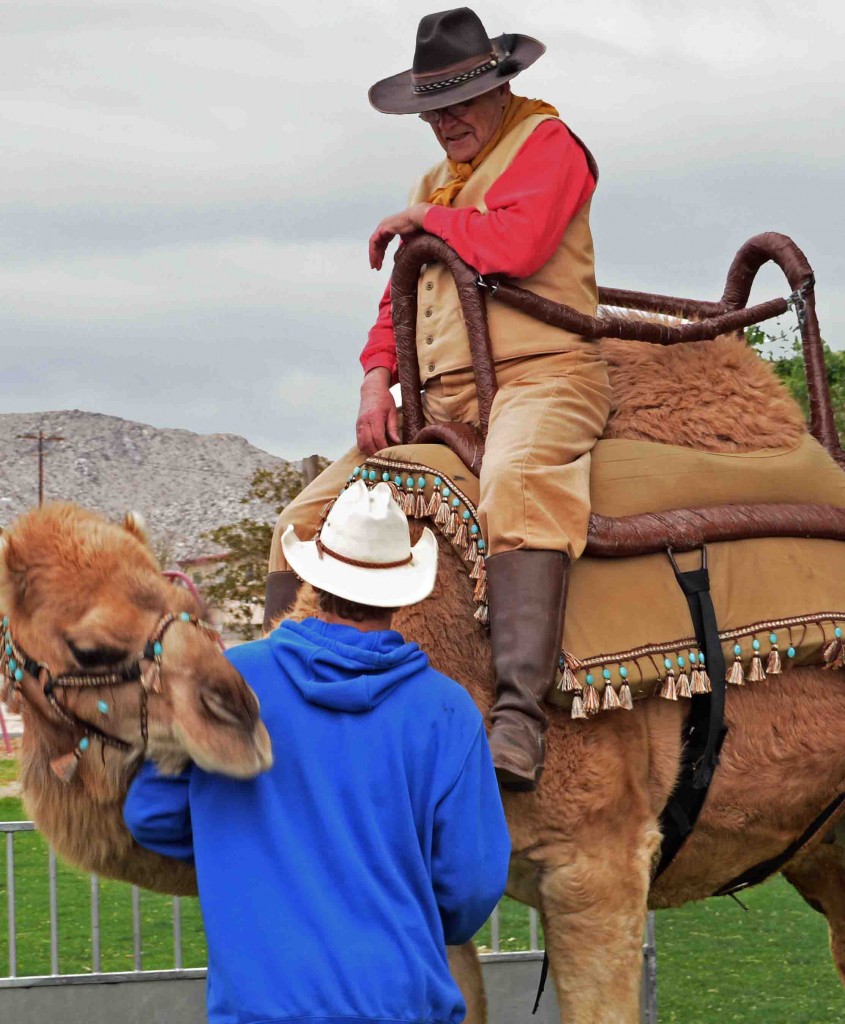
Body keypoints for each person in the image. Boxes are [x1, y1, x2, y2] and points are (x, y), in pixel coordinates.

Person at [265, 7, 612, 792]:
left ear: (500, 87)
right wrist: (375, 377)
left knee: (518, 483)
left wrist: (424, 220)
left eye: (459, 104)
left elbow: (515, 246)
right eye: (433, 111)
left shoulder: (547, 144)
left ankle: (519, 718)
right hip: (444, 402)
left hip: (544, 376)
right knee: (302, 520)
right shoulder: (437, 184)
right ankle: (283, 709)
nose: (444, 123)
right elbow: (400, 298)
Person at [124, 480, 510, 1024]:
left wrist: (248, 851)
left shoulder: (232, 682)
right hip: (401, 1006)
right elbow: (470, 885)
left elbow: (150, 814)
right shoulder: (447, 712)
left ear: (314, 579)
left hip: (260, 1010)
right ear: (404, 593)